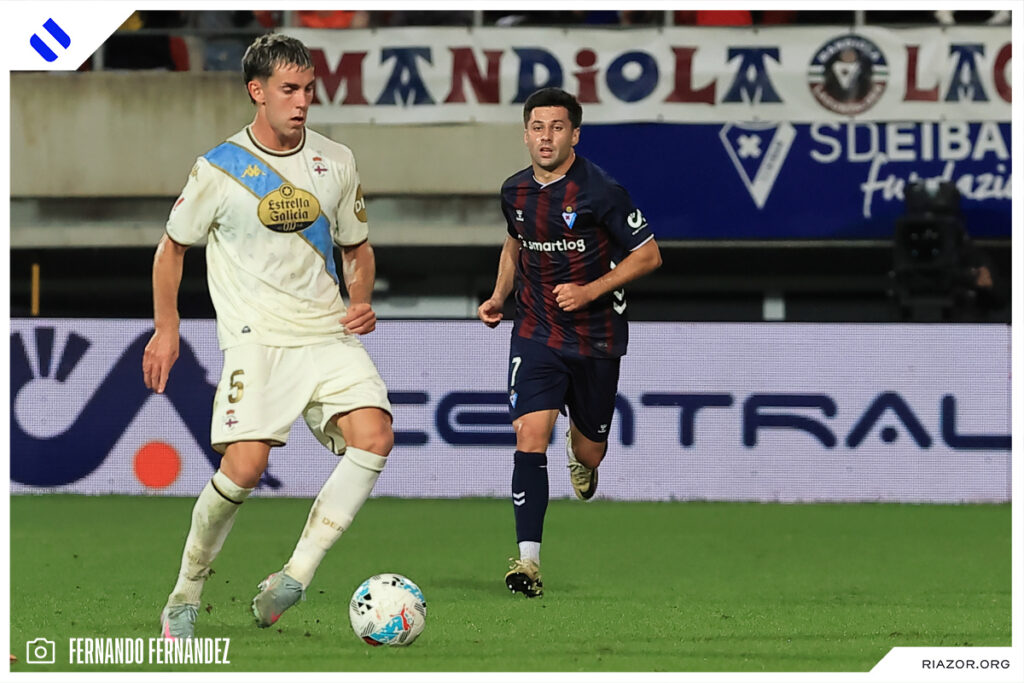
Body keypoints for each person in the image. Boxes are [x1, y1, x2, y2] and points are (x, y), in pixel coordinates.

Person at [142, 33, 393, 638]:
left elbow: (357, 250)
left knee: (375, 436)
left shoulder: (336, 160)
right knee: (245, 467)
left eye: (308, 89)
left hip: (326, 332)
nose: (301, 101)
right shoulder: (219, 168)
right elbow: (171, 249)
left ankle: (294, 578)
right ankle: (186, 591)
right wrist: (167, 329)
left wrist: (360, 299)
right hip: (256, 338)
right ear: (257, 91)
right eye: (288, 90)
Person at [477, 87, 662, 597]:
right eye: (538, 127)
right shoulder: (514, 191)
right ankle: (528, 561)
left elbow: (649, 256)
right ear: (525, 134)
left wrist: (589, 291)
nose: (546, 137)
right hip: (536, 330)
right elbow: (515, 242)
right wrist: (498, 296)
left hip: (596, 337)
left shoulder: (601, 190)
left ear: (574, 135)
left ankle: (581, 454)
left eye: (557, 128)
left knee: (591, 451)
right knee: (528, 434)